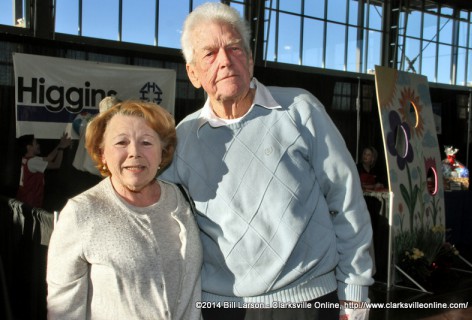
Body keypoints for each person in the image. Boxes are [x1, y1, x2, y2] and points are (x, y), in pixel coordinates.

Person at [160, 3, 373, 319]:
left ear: (250, 58)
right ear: (192, 73)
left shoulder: (300, 109)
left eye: (235, 48)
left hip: (308, 302)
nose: (226, 61)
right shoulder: (184, 137)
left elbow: (346, 200)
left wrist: (355, 292)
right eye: (210, 54)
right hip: (222, 307)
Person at [46, 101, 202, 320]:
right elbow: (63, 310)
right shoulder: (81, 213)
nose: (134, 153)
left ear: (162, 152)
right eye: (121, 142)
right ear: (102, 155)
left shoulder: (180, 199)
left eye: (146, 142)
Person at [16, 132, 71, 208]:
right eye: (36, 143)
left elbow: (49, 158)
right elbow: (56, 164)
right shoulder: (33, 161)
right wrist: (61, 148)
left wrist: (60, 145)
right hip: (31, 203)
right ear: (29, 147)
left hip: (24, 201)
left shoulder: (27, 159)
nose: (38, 145)